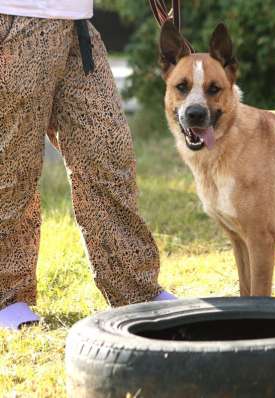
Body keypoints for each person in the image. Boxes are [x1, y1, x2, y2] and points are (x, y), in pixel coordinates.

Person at [0, 1, 175, 330]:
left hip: (76, 22)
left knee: (107, 153)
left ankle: (134, 290)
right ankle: (5, 295)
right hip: (15, 16)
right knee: (11, 163)